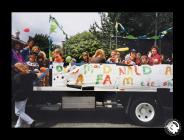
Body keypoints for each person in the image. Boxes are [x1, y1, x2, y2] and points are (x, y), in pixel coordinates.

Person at [12, 63, 43, 128]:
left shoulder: (17, 76)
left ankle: (31, 121)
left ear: (17, 69)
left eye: (15, 68)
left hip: (19, 95)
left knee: (17, 112)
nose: (14, 69)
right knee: (22, 111)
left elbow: (14, 87)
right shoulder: (28, 74)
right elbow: (37, 75)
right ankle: (18, 125)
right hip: (26, 95)